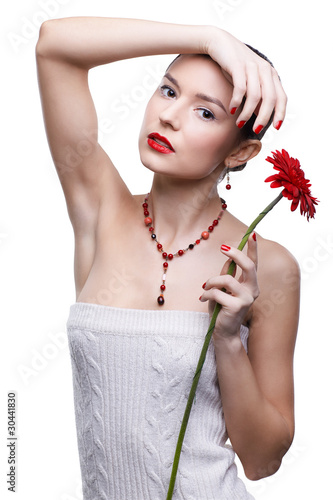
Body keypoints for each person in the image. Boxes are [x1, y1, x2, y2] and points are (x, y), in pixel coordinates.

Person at [36, 16, 300, 500]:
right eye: (169, 90)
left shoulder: (266, 265)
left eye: (206, 113)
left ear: (241, 151)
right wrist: (206, 37)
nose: (169, 116)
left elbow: (263, 461)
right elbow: (54, 46)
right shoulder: (101, 211)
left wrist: (228, 341)